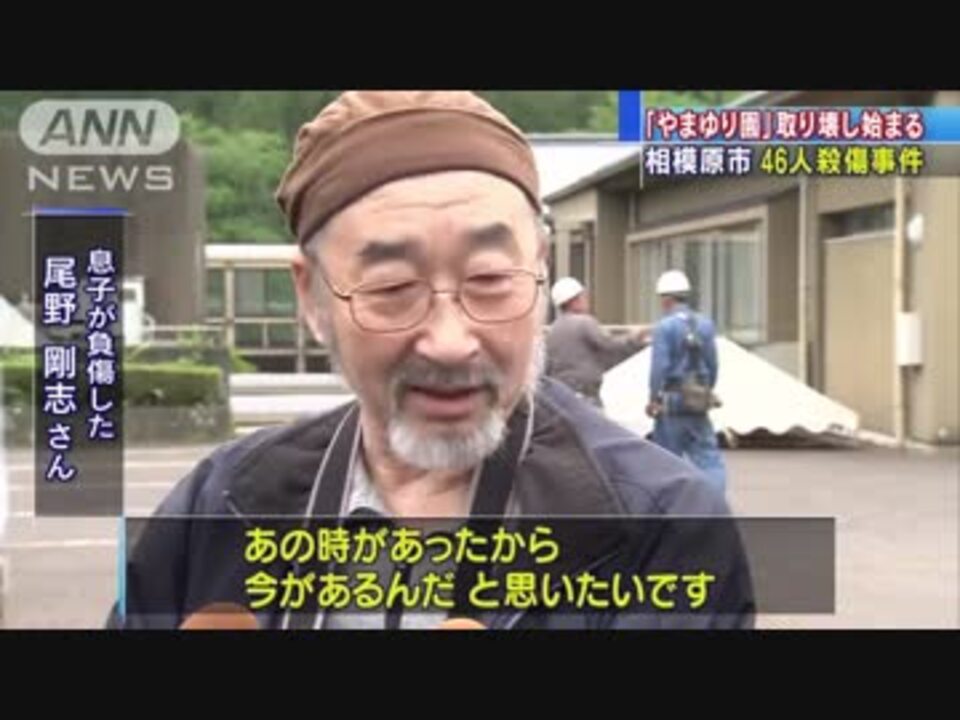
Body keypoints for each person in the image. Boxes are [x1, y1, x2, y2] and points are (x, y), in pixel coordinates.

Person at [109, 92, 752, 630]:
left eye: (490, 278)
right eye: (392, 287)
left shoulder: (661, 528)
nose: (450, 341)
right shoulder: (221, 504)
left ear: (539, 270)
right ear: (311, 297)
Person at [647, 270, 728, 495]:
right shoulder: (705, 324)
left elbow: (659, 368)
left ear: (667, 299)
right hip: (698, 400)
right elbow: (713, 364)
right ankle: (714, 502)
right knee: (708, 459)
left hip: (672, 401)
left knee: (667, 460)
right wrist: (705, 390)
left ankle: (672, 505)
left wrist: (653, 398)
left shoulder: (664, 327)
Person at [544, 277, 648, 408]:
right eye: (583, 296)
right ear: (574, 300)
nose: (586, 299)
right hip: (584, 395)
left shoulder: (553, 330)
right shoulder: (584, 322)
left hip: (561, 397)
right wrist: (634, 339)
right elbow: (609, 345)